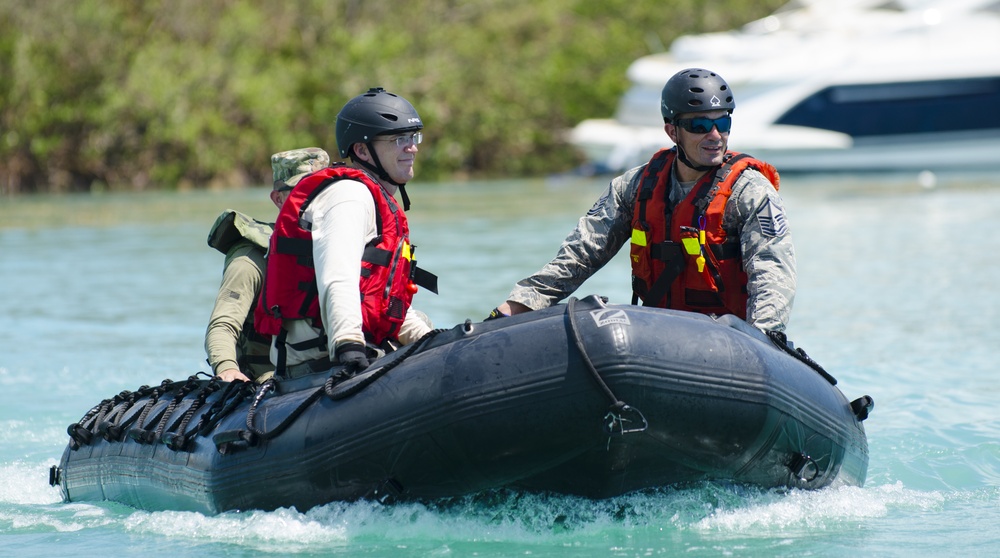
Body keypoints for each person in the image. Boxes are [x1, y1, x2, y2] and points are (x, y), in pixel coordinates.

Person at [490, 68, 795, 332]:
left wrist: (763, 338)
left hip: (728, 341)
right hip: (658, 335)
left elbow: (772, 274)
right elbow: (581, 253)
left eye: (723, 124)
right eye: (700, 126)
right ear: (672, 131)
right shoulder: (635, 187)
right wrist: (520, 304)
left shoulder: (750, 192)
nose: (715, 135)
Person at [255, 87, 437, 378]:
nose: (412, 148)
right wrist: (348, 344)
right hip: (318, 366)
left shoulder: (377, 200)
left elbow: (379, 297)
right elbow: (338, 276)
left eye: (413, 137)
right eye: (398, 139)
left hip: (367, 350)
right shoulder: (348, 196)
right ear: (362, 150)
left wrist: (434, 341)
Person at [205, 148, 330, 383]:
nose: (315, 200)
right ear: (278, 199)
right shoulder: (251, 257)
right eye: (302, 190)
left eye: (322, 190)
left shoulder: (337, 246)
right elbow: (223, 324)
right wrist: (226, 367)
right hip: (273, 382)